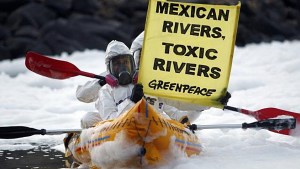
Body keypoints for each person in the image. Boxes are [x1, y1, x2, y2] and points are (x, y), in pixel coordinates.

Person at [130, 31, 231, 123]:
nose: (146, 62)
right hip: (128, 130)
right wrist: (132, 103)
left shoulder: (156, 85)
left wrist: (210, 100)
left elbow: (179, 115)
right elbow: (114, 120)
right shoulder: (119, 87)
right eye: (142, 57)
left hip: (151, 133)